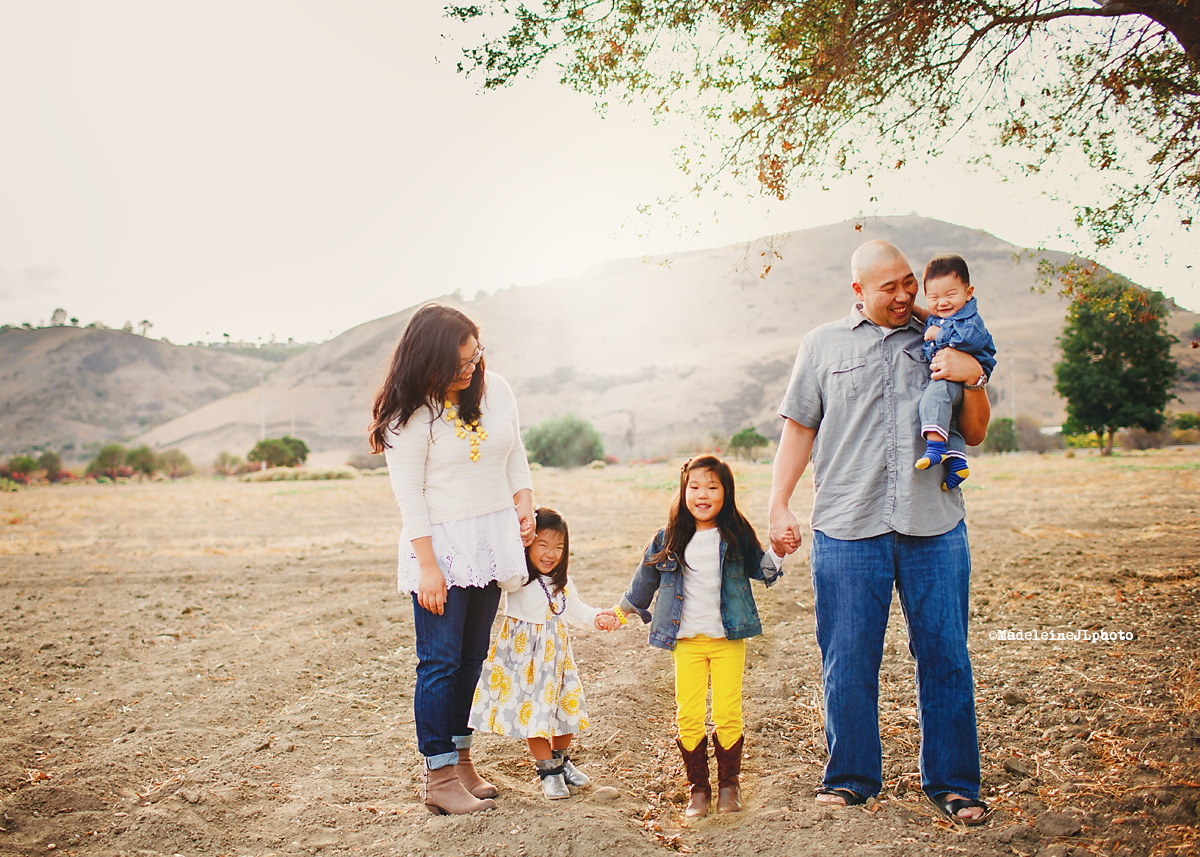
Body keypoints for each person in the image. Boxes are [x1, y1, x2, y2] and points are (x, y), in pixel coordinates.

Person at [768, 240, 992, 826]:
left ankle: (953, 784)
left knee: (946, 655)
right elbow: (799, 429)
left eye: (907, 282)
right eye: (888, 287)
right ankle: (850, 778)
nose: (903, 295)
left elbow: (975, 431)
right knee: (847, 658)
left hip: (934, 523)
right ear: (858, 290)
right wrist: (778, 504)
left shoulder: (942, 335)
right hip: (847, 524)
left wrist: (972, 377)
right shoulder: (822, 345)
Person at [368, 303, 535, 816]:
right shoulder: (409, 415)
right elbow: (409, 496)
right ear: (429, 360)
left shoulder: (494, 389)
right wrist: (428, 567)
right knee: (440, 661)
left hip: (490, 540)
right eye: (459, 363)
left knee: (471, 658)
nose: (471, 368)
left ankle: (462, 762)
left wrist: (525, 500)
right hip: (440, 547)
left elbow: (514, 451)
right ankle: (438, 776)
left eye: (475, 356)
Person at [615, 455, 784, 818]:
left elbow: (761, 570)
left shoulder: (736, 533)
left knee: (727, 711)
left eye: (712, 487)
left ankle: (729, 786)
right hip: (687, 642)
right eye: (694, 487)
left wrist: (780, 552)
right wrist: (622, 611)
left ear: (726, 492)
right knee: (688, 714)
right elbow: (644, 581)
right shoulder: (668, 537)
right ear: (684, 491)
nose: (702, 494)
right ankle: (698, 789)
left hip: (727, 640)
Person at [469, 507, 619, 800]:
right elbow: (504, 576)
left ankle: (560, 761)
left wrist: (597, 617)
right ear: (528, 544)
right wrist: (517, 539)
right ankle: (548, 771)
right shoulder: (519, 578)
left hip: (558, 659)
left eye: (559, 547)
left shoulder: (563, 582)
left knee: (567, 709)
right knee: (535, 715)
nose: (551, 554)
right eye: (543, 545)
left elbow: (575, 611)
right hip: (527, 659)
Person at [914, 253, 997, 491]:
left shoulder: (969, 319)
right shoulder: (942, 316)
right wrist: (916, 311)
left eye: (950, 295)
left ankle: (935, 448)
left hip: (957, 375)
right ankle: (958, 463)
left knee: (933, 398)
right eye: (934, 297)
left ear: (968, 293)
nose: (942, 303)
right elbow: (930, 317)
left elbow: (969, 340)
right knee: (948, 419)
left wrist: (938, 335)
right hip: (954, 376)